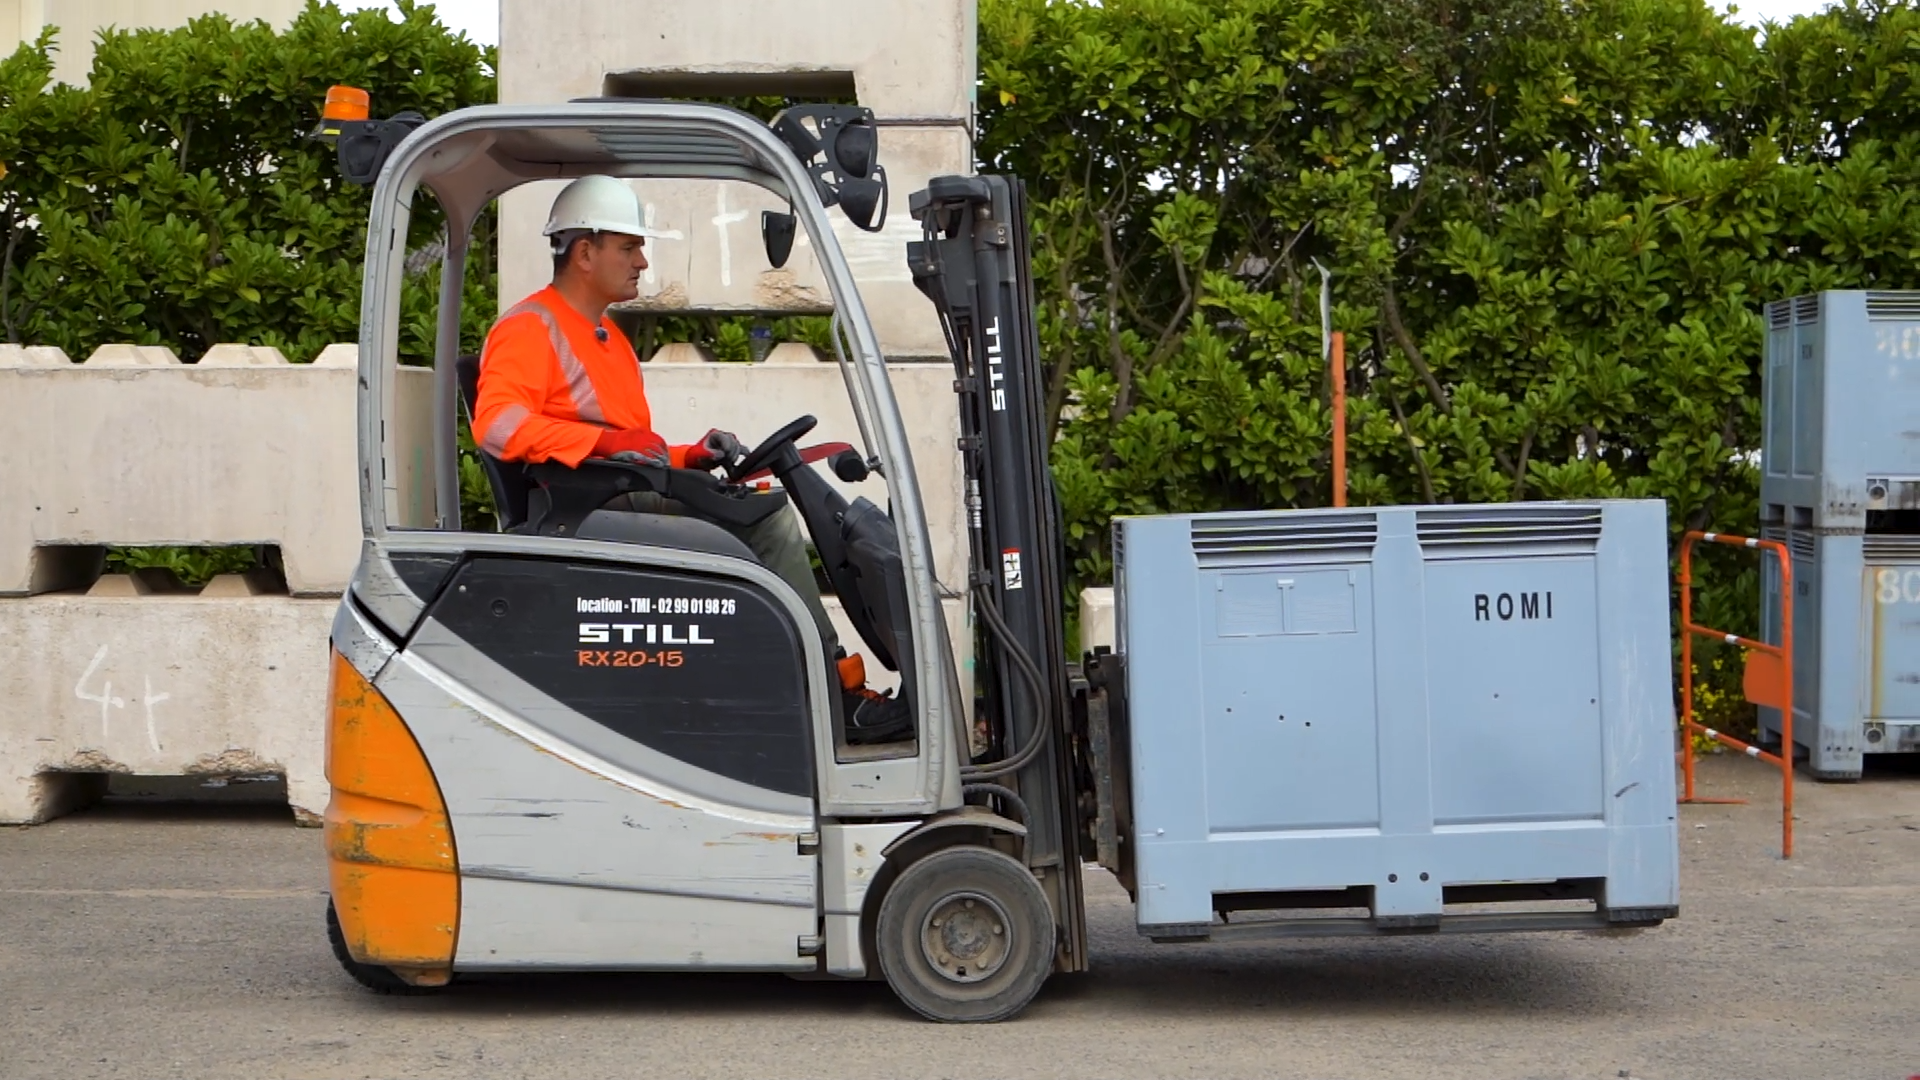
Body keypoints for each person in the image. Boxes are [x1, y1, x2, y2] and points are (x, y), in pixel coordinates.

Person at [472, 174, 911, 742]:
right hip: (576, 513)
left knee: (751, 503)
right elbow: (498, 426)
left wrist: (690, 457)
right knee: (769, 523)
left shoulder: (606, 337)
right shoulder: (531, 328)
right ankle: (833, 693)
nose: (642, 261)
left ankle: (787, 687)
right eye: (629, 247)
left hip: (610, 494)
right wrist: (603, 445)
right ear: (584, 252)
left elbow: (634, 447)